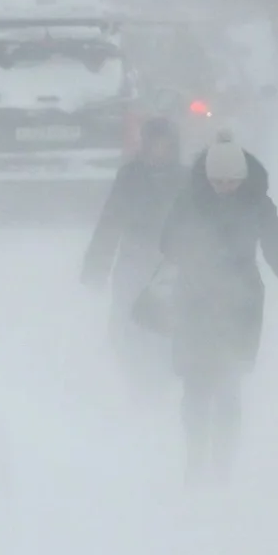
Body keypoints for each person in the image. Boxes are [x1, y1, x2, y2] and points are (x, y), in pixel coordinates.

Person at [155, 129, 278, 483]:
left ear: (243, 179)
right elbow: (167, 244)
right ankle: (195, 460)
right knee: (196, 386)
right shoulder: (189, 199)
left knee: (229, 386)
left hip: (241, 305)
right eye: (218, 181)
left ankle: (223, 468)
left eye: (232, 181)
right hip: (194, 301)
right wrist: (195, 250)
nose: (225, 187)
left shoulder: (258, 203)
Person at [83, 116, 189, 384]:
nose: (159, 151)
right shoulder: (130, 177)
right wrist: (97, 265)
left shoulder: (187, 180)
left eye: (165, 145)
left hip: (171, 265)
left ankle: (165, 378)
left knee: (166, 323)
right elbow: (110, 221)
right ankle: (135, 377)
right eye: (154, 145)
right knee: (125, 323)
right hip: (133, 260)